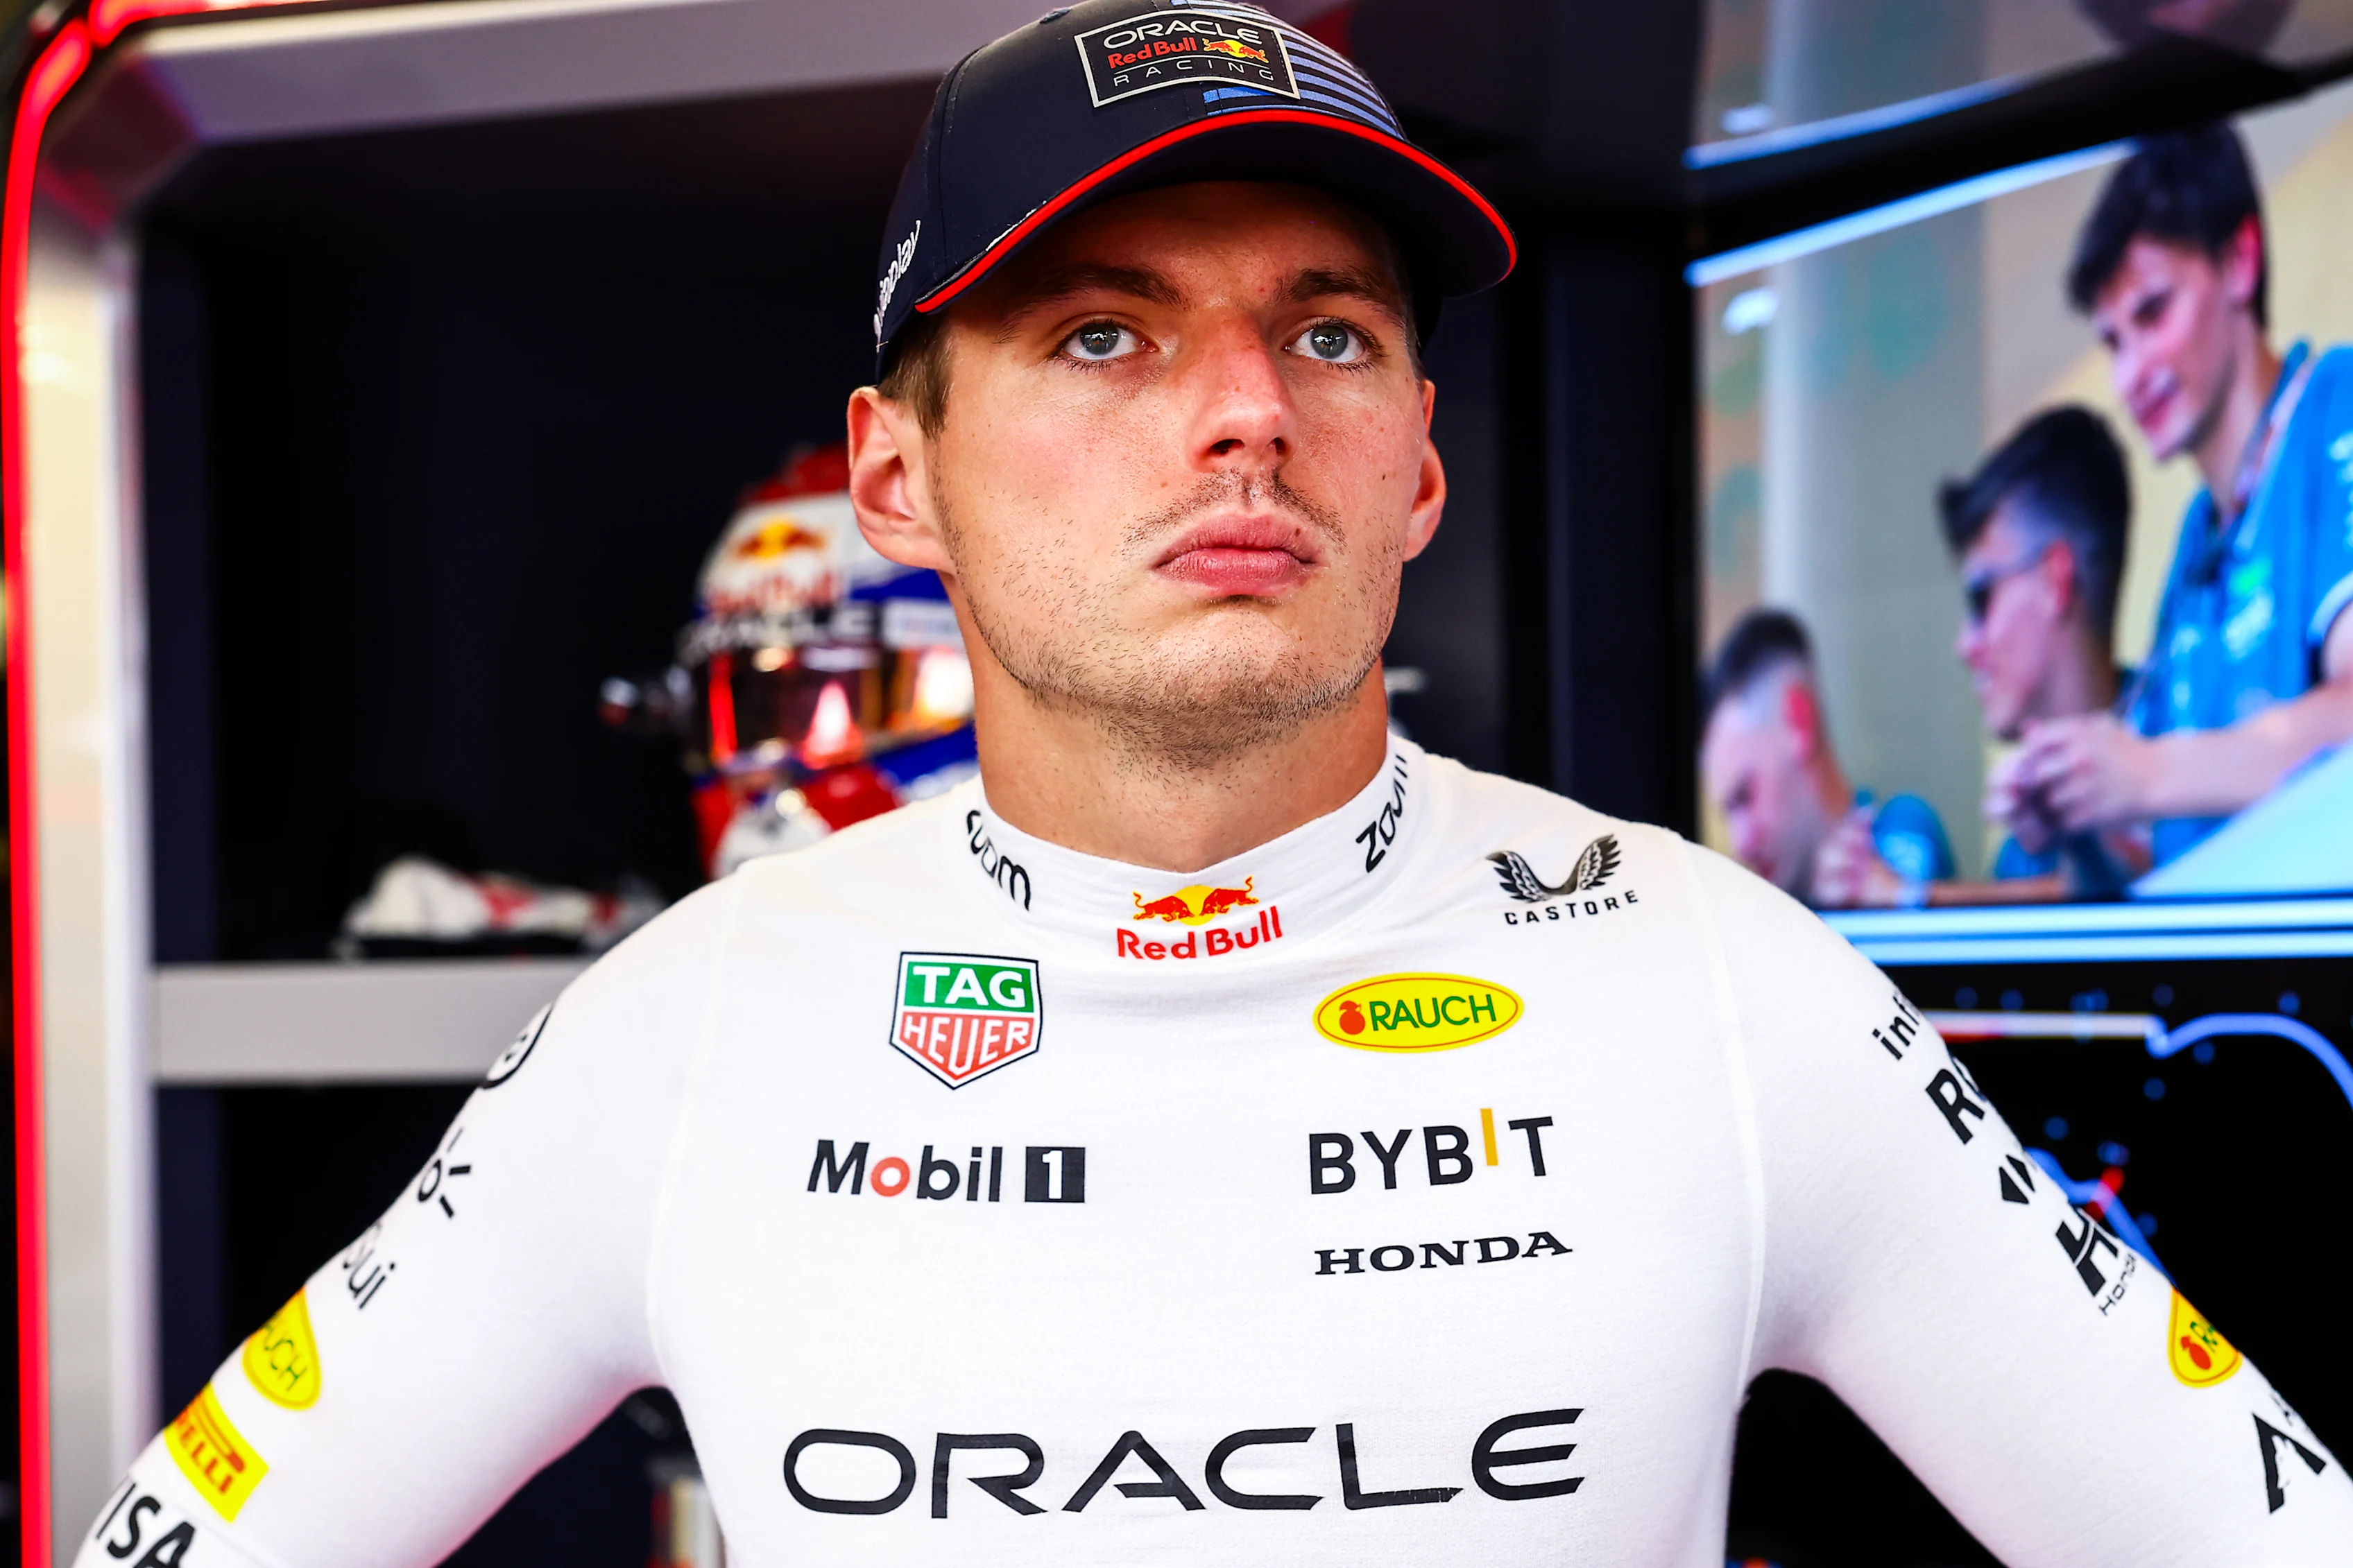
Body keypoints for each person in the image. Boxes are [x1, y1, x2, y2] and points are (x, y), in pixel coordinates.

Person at [82, 8, 2350, 1566]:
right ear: (896, 472)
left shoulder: (1727, 984)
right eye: (1106, 331)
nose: (1248, 408)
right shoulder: (675, 1033)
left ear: (1420, 466)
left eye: (1329, 330)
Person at [2010, 125, 2353, 868]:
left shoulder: (2337, 401)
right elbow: (2163, 851)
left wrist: (2145, 772)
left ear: (2240, 261)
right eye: (2112, 342)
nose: (2128, 375)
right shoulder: (2197, 536)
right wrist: (2075, 809)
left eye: (2152, 312)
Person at [1814, 408, 2150, 906]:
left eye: (1980, 598)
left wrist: (1909, 896)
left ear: (2055, 580)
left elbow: (2141, 882)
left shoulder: (2175, 748)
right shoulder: (2023, 847)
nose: (1964, 645)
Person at [1700, 608, 1954, 907]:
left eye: (1746, 796)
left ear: (1800, 722)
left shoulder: (1901, 831)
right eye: (1728, 813)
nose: (1741, 843)